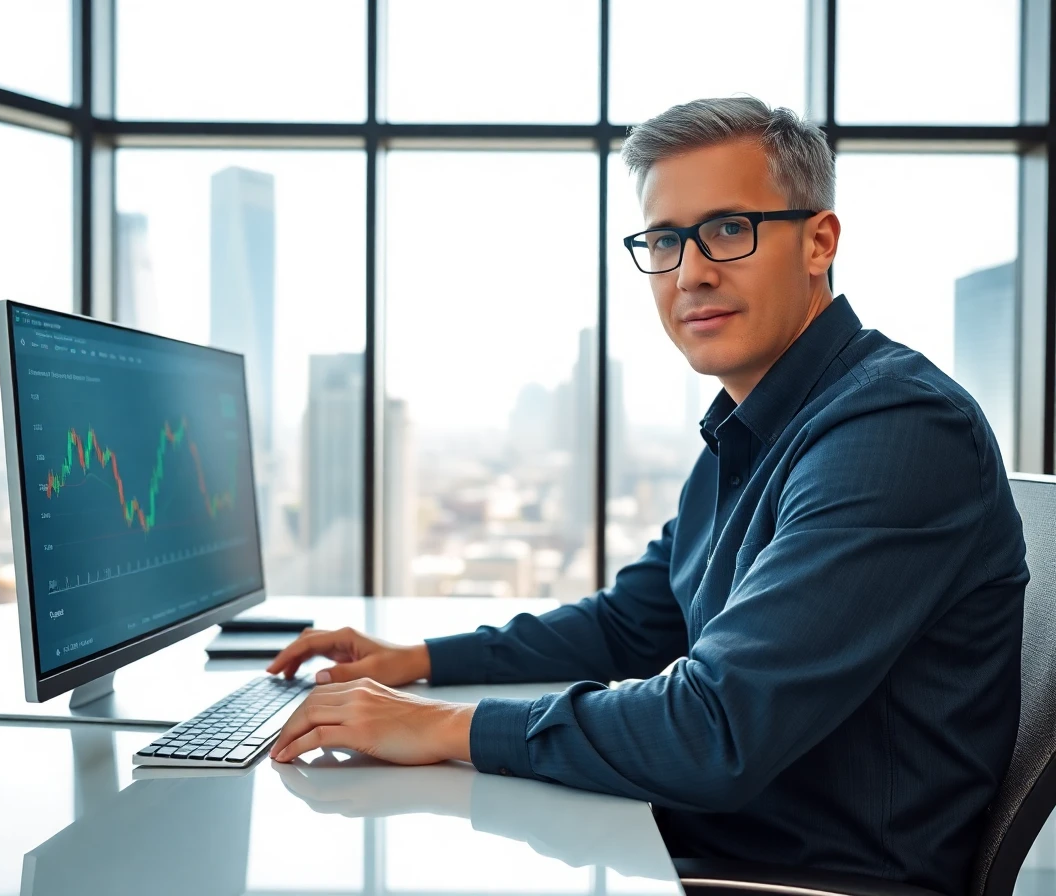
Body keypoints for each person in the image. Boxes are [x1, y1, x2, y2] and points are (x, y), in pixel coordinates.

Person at [266, 97, 1028, 895]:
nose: (691, 272)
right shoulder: (754, 427)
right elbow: (629, 624)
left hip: (804, 880)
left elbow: (717, 729)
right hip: (709, 841)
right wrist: (417, 662)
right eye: (665, 240)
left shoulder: (896, 430)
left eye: (728, 229)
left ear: (819, 242)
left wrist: (445, 726)